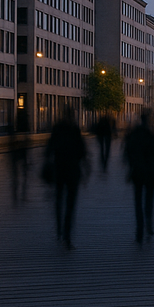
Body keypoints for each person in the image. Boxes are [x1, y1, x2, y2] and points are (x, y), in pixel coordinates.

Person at [45, 106, 88, 249]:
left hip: (59, 170)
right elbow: (82, 151)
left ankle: (59, 229)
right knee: (70, 204)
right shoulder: (74, 130)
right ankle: (67, 235)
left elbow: (49, 147)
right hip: (72, 171)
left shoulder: (57, 128)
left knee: (58, 200)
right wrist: (85, 167)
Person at [124, 110, 154, 243]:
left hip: (137, 172)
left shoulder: (134, 135)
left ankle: (139, 229)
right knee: (149, 199)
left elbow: (127, 153)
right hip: (150, 172)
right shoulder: (152, 135)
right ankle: (148, 221)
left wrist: (130, 167)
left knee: (137, 201)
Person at [8, 109, 31, 202]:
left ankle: (15, 194)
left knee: (15, 175)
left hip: (15, 155)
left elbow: (10, 141)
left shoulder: (14, 128)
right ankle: (23, 194)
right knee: (24, 175)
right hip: (23, 153)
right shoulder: (25, 128)